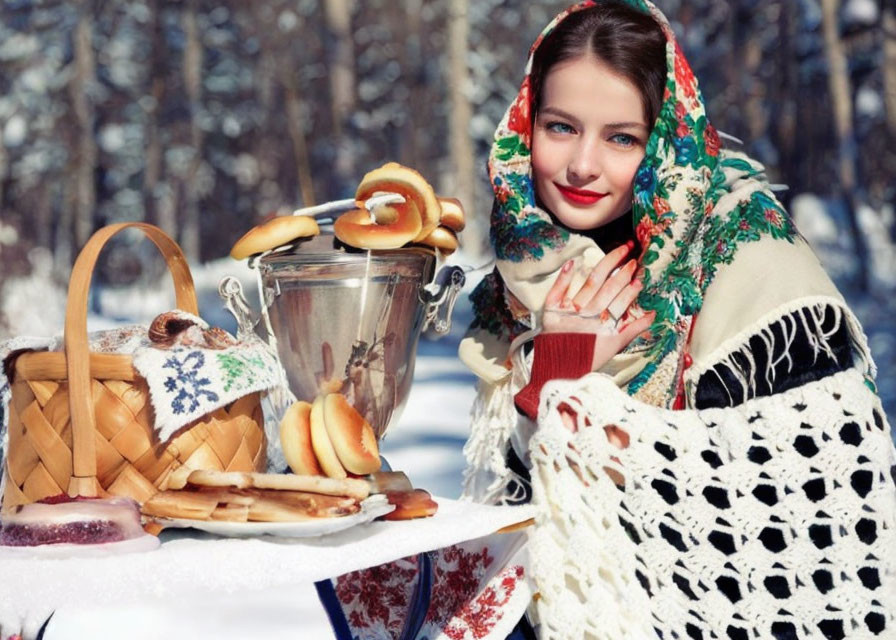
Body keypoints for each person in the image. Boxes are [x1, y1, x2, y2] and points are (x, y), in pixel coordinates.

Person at [458, 0, 896, 638]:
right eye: (559, 127)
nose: (582, 165)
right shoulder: (529, 269)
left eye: (621, 138)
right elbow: (532, 531)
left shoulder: (749, 264)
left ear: (666, 140)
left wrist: (571, 395)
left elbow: (795, 522)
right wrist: (558, 367)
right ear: (526, 125)